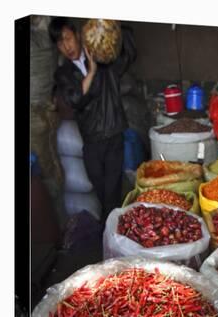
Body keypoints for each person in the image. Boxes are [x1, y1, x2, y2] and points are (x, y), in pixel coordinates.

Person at [48, 17, 137, 221]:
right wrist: (92, 71)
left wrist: (115, 27)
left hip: (113, 134)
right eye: (60, 43)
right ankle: (112, 232)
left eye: (67, 38)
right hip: (91, 143)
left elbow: (130, 53)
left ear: (78, 35)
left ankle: (110, 238)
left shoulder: (106, 61)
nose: (66, 46)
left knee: (111, 193)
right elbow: (75, 99)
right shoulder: (63, 74)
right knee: (100, 190)